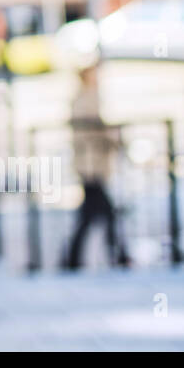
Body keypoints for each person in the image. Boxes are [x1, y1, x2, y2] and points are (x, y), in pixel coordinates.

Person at [61, 62, 131, 269]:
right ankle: (117, 255)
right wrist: (112, 137)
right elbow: (92, 130)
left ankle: (76, 258)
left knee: (93, 215)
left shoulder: (86, 97)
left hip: (91, 165)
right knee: (103, 214)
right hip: (91, 166)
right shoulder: (87, 99)